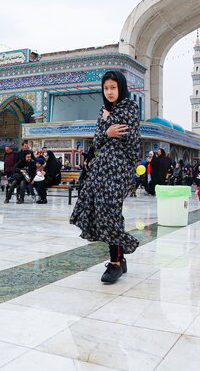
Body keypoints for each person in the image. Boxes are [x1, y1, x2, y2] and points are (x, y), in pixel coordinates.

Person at [70, 70, 140, 283]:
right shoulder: (103, 110)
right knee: (103, 210)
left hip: (120, 169)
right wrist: (107, 132)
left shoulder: (130, 108)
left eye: (113, 88)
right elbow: (98, 140)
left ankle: (115, 263)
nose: (109, 92)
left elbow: (129, 136)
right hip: (101, 170)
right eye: (106, 88)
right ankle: (120, 257)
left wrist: (110, 121)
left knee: (109, 211)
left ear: (121, 88)